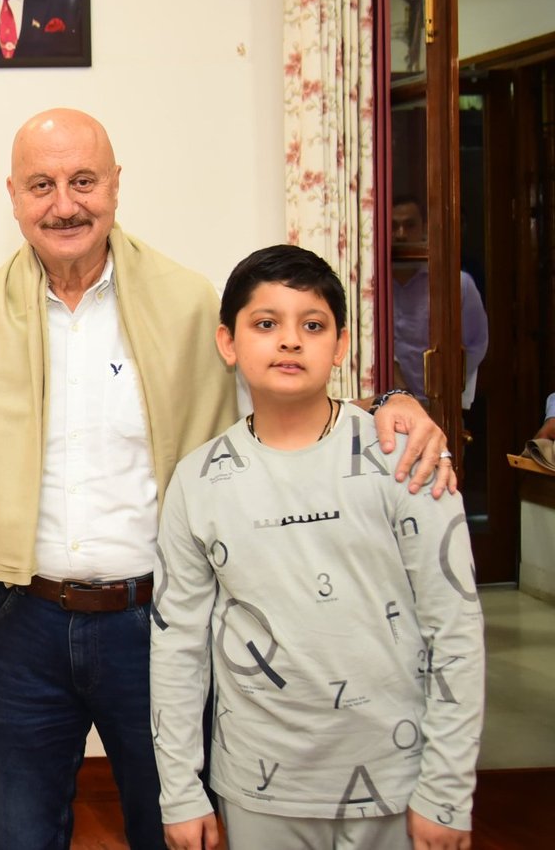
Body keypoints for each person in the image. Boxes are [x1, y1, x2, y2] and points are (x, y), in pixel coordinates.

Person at [0, 107, 453, 850]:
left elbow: (284, 401)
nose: (64, 204)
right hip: (19, 626)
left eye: (83, 181)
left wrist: (391, 400)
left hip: (159, 624)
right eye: (41, 185)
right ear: (12, 195)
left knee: (177, 830)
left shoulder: (191, 304)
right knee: (20, 837)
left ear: (116, 184)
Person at [151, 244, 482, 850]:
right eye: (265, 323)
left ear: (341, 344)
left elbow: (454, 629)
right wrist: (180, 789)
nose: (289, 340)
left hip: (397, 778)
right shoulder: (197, 482)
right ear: (228, 342)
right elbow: (178, 648)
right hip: (258, 786)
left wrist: (447, 788)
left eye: (312, 325)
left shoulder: (405, 458)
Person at [390, 195, 489, 407]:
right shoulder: (372, 288)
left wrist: (448, 388)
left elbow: (476, 343)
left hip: (441, 404)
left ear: (424, 228)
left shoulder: (457, 284)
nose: (401, 235)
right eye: (394, 226)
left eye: (410, 225)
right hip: (389, 403)